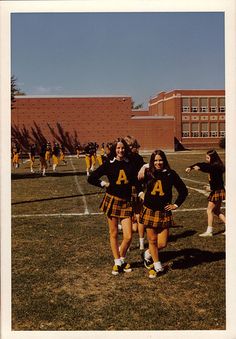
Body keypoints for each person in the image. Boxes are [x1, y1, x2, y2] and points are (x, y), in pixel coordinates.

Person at [87, 137, 140, 275]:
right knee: (114, 233)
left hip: (127, 202)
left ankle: (121, 259)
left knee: (128, 236)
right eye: (118, 148)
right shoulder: (108, 164)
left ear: (125, 149)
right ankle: (117, 261)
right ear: (114, 150)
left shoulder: (131, 163)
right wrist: (104, 184)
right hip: (112, 200)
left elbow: (136, 181)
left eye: (122, 148)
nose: (121, 150)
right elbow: (91, 178)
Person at [139, 150, 188, 278]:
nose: (158, 163)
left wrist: (176, 205)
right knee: (152, 240)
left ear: (164, 161)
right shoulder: (148, 172)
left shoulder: (171, 174)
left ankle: (147, 254)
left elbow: (183, 191)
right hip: (149, 210)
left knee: (162, 243)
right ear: (152, 162)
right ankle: (157, 266)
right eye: (155, 160)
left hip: (164, 212)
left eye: (160, 160)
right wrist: (140, 193)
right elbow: (135, 182)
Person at [185, 149, 225, 237]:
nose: (206, 159)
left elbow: (216, 180)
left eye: (208, 157)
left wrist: (210, 188)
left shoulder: (215, 167)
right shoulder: (213, 165)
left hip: (216, 190)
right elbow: (202, 164)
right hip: (217, 190)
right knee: (217, 210)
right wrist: (191, 167)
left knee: (209, 210)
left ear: (213, 158)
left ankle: (209, 231)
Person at [124, 135, 146, 250]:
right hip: (137, 188)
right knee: (138, 215)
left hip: (128, 189)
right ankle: (141, 243)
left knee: (128, 215)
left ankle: (129, 244)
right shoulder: (138, 157)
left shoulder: (127, 157)